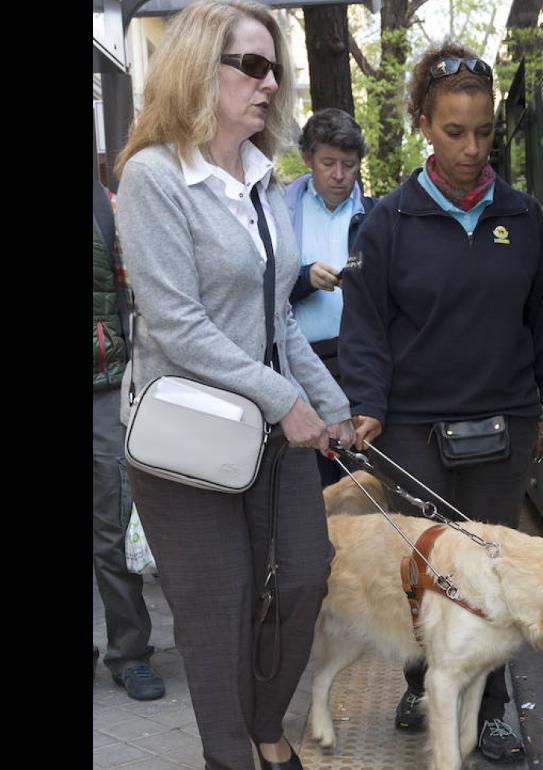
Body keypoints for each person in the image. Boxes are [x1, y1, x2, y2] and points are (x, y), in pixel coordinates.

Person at [113, 2, 355, 768]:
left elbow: (279, 318)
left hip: (270, 435)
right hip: (187, 441)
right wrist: (285, 399)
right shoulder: (153, 177)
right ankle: (242, 752)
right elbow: (176, 324)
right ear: (198, 68)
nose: (269, 82)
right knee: (217, 616)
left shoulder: (262, 178)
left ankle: (264, 722)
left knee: (304, 580)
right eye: (251, 65)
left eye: (273, 68)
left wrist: (333, 408)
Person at [339, 42, 543, 764]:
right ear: (423, 124)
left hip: (505, 426)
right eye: (454, 132)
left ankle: (494, 709)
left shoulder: (522, 218)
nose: (472, 149)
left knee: (491, 573)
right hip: (410, 430)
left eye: (484, 132)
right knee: (425, 571)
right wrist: (368, 405)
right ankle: (422, 683)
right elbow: (365, 327)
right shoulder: (387, 222)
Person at [93, 178, 166, 702]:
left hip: (105, 386)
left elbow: (138, 298)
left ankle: (130, 652)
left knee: (113, 527)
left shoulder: (109, 206)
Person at [285, 108, 376, 487]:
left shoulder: (374, 215)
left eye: (349, 165)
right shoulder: (281, 210)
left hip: (358, 363)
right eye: (328, 163)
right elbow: (261, 286)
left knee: (361, 483)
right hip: (301, 364)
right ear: (308, 159)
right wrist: (304, 278)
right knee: (312, 482)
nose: (339, 175)